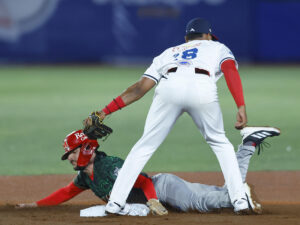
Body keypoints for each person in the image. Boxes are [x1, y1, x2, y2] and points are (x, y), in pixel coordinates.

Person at [85, 18, 251, 214]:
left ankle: (115, 203)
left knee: (144, 145)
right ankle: (239, 200)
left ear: (186, 38)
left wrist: (106, 111)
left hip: (168, 86)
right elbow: (230, 70)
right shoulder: (218, 47)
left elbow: (139, 89)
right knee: (220, 143)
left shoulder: (168, 52)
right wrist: (240, 105)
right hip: (201, 86)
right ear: (208, 35)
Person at [16, 126, 281, 215]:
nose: (70, 159)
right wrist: (35, 205)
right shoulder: (86, 177)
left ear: (86, 149)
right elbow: (65, 192)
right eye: (68, 155)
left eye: (72, 153)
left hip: (164, 189)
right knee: (228, 194)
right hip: (162, 192)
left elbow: (142, 182)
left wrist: (153, 199)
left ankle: (248, 146)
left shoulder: (110, 166)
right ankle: (247, 151)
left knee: (214, 202)